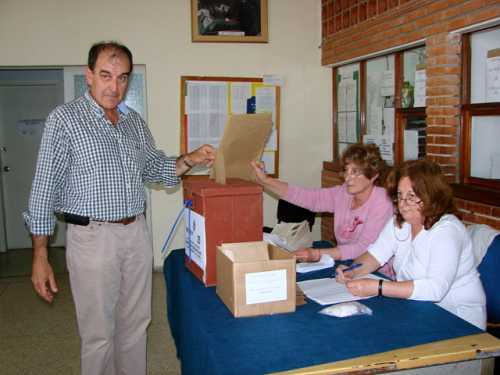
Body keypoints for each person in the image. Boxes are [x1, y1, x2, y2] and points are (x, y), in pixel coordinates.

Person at [24, 41, 216, 375]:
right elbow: (43, 187)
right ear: (89, 75)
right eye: (106, 75)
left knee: (136, 325)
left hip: (136, 234)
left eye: (123, 77)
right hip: (92, 237)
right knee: (98, 334)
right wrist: (40, 255)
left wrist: (190, 159)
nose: (115, 86)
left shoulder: (133, 123)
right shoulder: (65, 120)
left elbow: (155, 169)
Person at [336, 159, 486, 330]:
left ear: (431, 195)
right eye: (400, 195)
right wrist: (352, 270)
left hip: (458, 319)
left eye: (411, 197)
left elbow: (435, 289)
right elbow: (375, 255)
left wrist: (378, 287)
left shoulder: (447, 230)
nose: (403, 204)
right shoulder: (400, 222)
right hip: (419, 310)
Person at [251, 143, 394, 278]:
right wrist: (266, 180)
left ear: (374, 175)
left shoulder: (382, 201)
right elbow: (309, 198)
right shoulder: (344, 193)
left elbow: (364, 248)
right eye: (346, 171)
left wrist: (317, 254)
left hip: (376, 273)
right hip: (346, 265)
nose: (348, 178)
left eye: (355, 172)